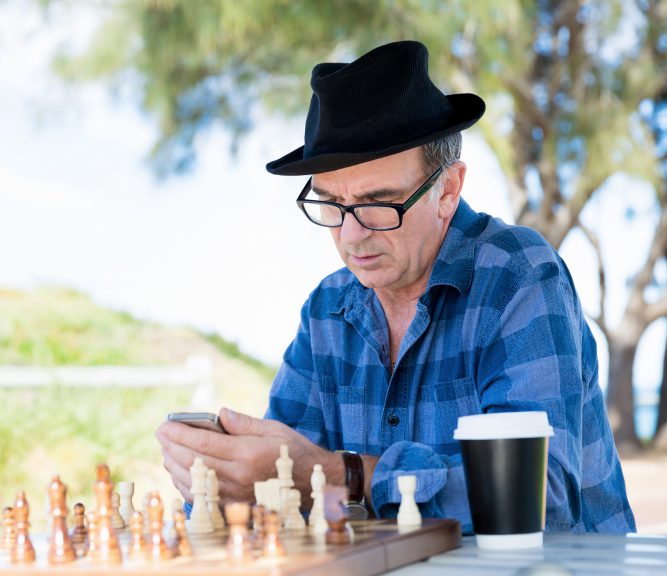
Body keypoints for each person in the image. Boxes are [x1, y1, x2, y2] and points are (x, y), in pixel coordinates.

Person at [156, 40, 636, 533]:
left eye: (377, 204)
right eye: (331, 205)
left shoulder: (519, 276)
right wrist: (230, 477)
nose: (351, 235)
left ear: (448, 189)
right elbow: (288, 480)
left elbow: (539, 498)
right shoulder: (327, 309)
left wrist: (340, 475)